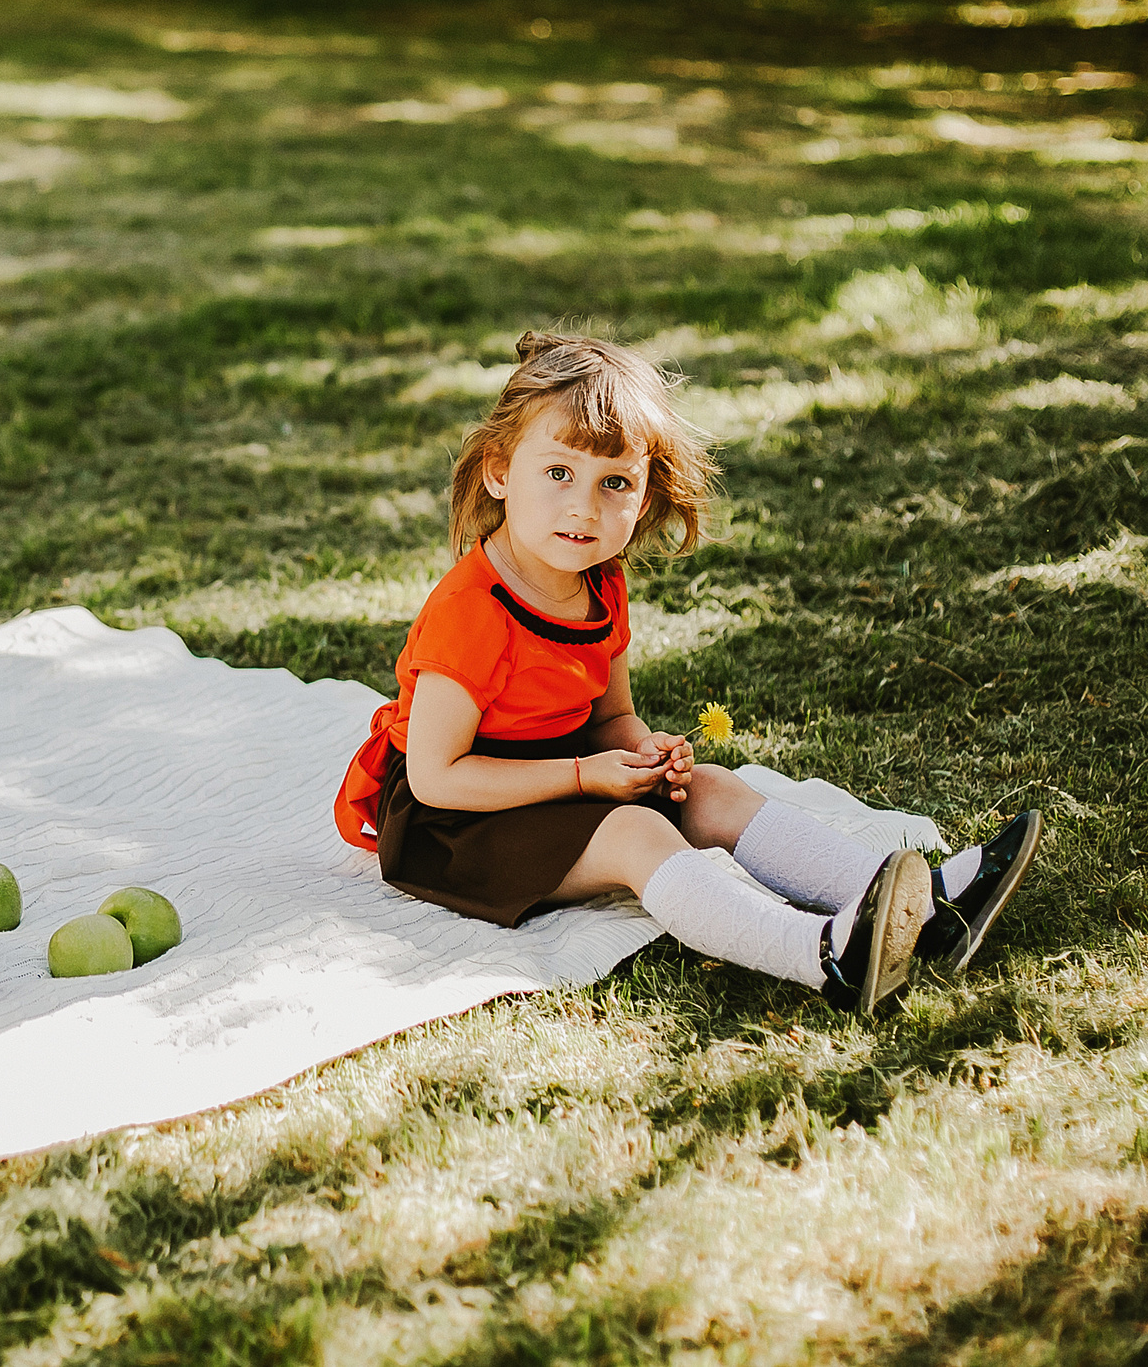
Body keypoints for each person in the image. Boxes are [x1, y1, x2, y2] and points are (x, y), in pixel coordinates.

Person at [334, 332, 1040, 1013]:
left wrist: (643, 750)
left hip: (559, 776)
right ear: (498, 470)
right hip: (454, 826)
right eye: (558, 473)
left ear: (643, 498)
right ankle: (824, 956)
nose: (584, 506)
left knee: (710, 789)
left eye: (615, 483)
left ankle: (936, 907)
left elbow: (611, 717)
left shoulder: (600, 583)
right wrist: (587, 778)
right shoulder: (473, 612)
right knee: (637, 838)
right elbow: (437, 777)